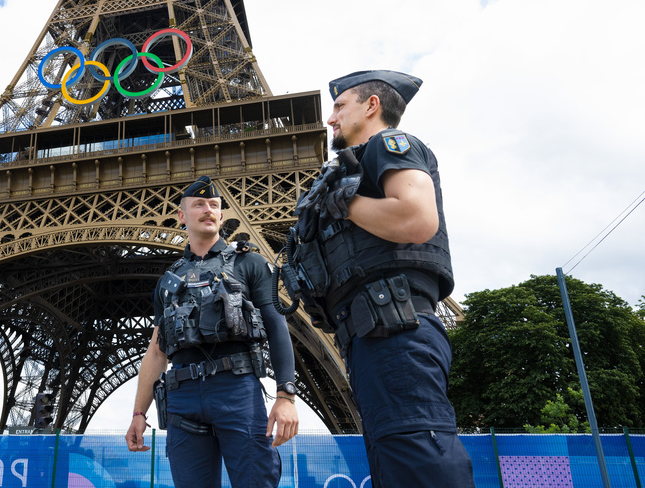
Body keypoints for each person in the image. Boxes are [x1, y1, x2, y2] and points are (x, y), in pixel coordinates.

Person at [295, 70, 475, 486]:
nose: (330, 118)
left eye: (340, 106)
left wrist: (344, 203)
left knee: (417, 456)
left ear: (371, 106)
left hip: (395, 329)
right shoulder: (351, 167)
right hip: (371, 334)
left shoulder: (390, 145)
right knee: (396, 460)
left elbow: (415, 218)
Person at [125, 176, 299, 488]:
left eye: (214, 206)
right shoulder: (168, 282)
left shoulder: (251, 263)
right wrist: (139, 413)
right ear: (181, 215)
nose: (208, 210)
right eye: (199, 205)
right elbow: (156, 352)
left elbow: (276, 327)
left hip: (237, 391)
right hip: (182, 399)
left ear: (221, 215)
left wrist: (285, 394)